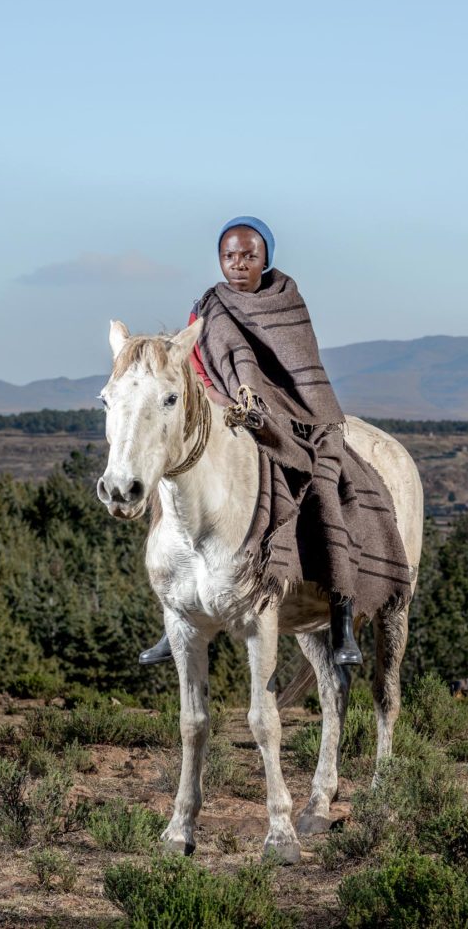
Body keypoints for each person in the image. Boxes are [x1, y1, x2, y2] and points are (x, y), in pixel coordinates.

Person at [139, 216, 370, 668]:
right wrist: (224, 401)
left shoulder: (288, 304)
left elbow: (299, 373)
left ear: (266, 258)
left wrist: (271, 414)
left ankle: (341, 613)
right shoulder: (206, 308)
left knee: (325, 489)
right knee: (175, 492)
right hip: (225, 413)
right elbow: (197, 365)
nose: (238, 264)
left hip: (292, 420)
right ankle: (176, 617)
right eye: (229, 256)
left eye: (249, 256)